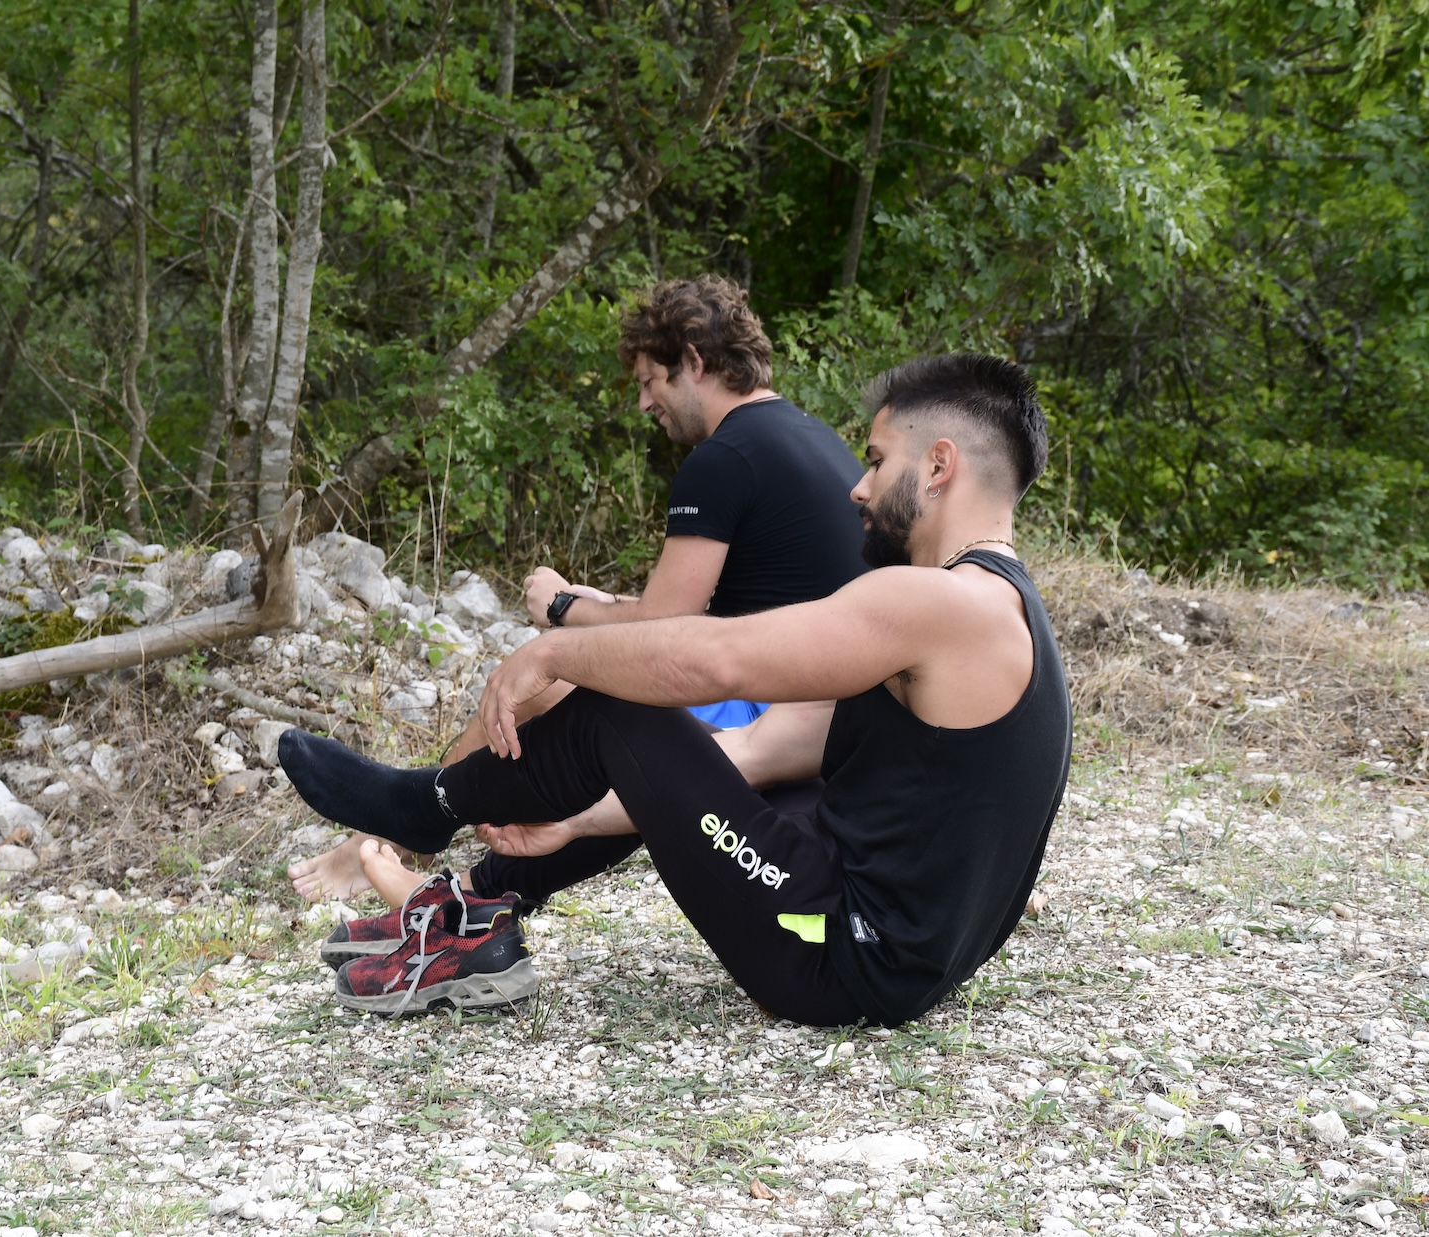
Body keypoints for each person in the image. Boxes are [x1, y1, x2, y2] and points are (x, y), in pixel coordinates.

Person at [280, 353, 1072, 1027]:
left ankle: (428, 808)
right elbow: (759, 748)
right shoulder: (1004, 610)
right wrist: (584, 818)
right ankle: (470, 909)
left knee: (627, 701)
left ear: (938, 465)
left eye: (875, 460)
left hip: (843, 960)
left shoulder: (937, 603)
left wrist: (559, 649)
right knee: (672, 741)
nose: (859, 489)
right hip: (901, 955)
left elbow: (716, 661)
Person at [288, 274, 868, 904]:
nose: (645, 403)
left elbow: (663, 629)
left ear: (695, 362)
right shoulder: (812, 439)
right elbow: (713, 612)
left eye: (650, 382)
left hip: (778, 719)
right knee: (581, 683)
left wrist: (563, 610)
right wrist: (595, 606)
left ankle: (411, 834)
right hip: (816, 711)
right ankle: (432, 850)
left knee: (554, 687)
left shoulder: (723, 458)